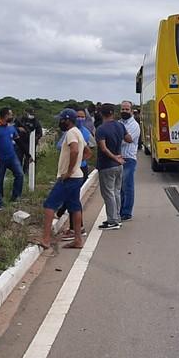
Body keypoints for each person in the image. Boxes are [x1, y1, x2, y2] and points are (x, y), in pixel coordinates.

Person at [37, 109, 87, 250]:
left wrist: (69, 171)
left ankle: (46, 239)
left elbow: (75, 150)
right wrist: (76, 164)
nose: (60, 122)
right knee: (75, 207)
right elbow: (87, 152)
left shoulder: (71, 133)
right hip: (77, 176)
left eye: (61, 120)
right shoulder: (78, 132)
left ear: (67, 120)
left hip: (69, 177)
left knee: (49, 205)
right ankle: (78, 240)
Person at [95, 103, 126, 230]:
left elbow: (103, 148)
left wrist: (114, 157)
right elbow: (129, 138)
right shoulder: (120, 125)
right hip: (119, 164)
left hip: (107, 165)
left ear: (101, 113)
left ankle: (112, 220)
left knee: (108, 193)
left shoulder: (101, 129)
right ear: (113, 113)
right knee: (117, 191)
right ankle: (117, 217)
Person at [0, 107, 24, 202]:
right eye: (11, 115)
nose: (12, 116)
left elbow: (18, 140)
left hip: (11, 156)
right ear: (5, 116)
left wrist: (27, 153)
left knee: (20, 174)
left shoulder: (11, 127)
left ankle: (16, 196)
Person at [119, 100, 140, 221]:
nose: (124, 111)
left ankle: (127, 212)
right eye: (123, 109)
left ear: (131, 111)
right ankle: (120, 210)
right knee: (119, 187)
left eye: (127, 109)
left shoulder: (134, 125)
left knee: (127, 186)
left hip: (128, 159)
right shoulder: (119, 123)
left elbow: (127, 140)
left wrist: (113, 139)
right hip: (118, 158)